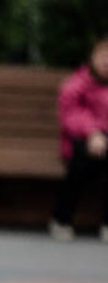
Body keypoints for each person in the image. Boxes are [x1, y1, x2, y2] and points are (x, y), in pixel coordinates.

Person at [50, 35, 108, 242]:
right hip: (81, 140)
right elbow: (70, 113)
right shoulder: (77, 82)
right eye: (102, 55)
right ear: (92, 57)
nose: (106, 61)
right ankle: (61, 219)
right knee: (81, 162)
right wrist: (93, 132)